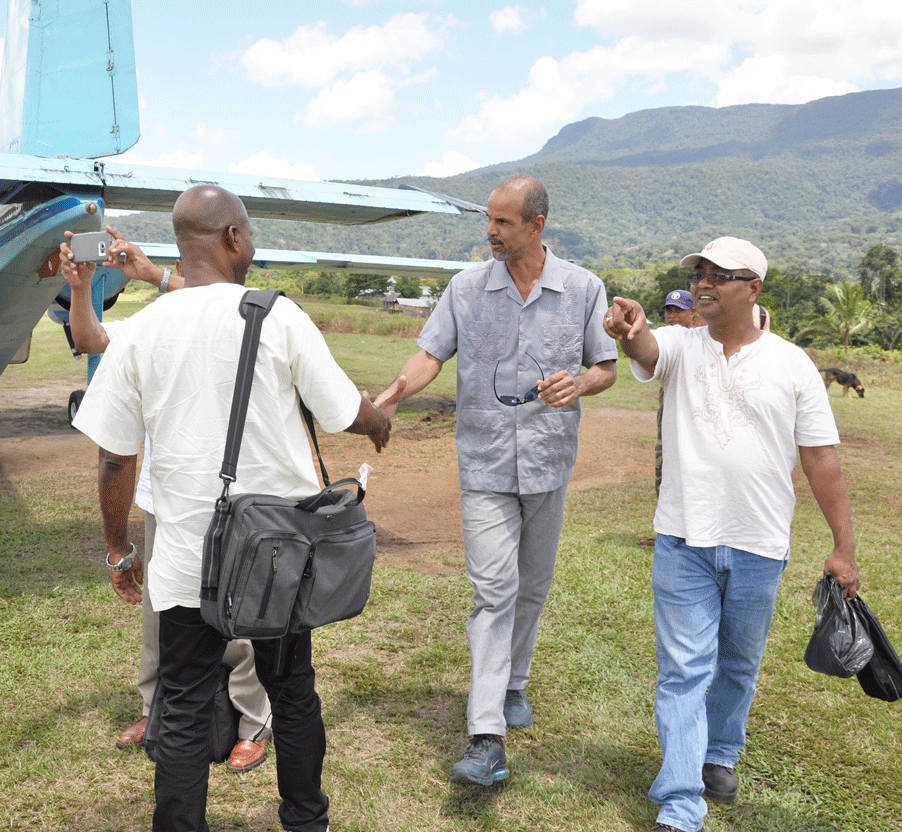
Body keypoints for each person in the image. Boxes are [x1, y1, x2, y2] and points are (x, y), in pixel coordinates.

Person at [72, 184, 392, 832]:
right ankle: (306, 819)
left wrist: (118, 549)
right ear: (233, 239)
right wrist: (377, 419)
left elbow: (114, 459)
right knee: (293, 695)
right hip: (275, 559)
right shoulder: (277, 315)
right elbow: (341, 410)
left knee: (182, 708)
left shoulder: (139, 331)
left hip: (187, 560)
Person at [604, 236, 860, 832]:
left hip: (759, 544)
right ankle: (681, 801)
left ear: (754, 288)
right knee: (685, 670)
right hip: (683, 541)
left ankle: (720, 753)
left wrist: (844, 548)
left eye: (721, 275)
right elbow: (645, 347)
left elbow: (822, 460)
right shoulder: (679, 344)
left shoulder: (792, 364)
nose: (705, 284)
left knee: (739, 663)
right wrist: (630, 328)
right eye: (700, 273)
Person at [375, 175, 618, 786]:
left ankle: (514, 684)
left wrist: (580, 383)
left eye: (503, 222)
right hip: (483, 460)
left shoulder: (583, 288)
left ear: (535, 226)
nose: (490, 230)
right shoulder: (465, 289)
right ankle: (487, 735)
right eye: (489, 219)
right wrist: (394, 396)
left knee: (532, 585)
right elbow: (430, 354)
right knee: (493, 590)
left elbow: (605, 367)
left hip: (549, 458)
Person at [59, 229, 273, 773]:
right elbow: (90, 340)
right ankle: (156, 710)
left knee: (237, 616)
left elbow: (212, 294)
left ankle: (254, 722)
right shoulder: (151, 326)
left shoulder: (234, 313)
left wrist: (154, 274)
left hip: (231, 495)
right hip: (166, 495)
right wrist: (81, 287)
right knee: (161, 612)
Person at [640, 289, 696, 546]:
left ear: (694, 313)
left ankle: (688, 534)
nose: (672, 315)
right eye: (669, 310)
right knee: (662, 471)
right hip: (667, 422)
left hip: (690, 426)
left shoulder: (699, 342)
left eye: (679, 310)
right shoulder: (667, 340)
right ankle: (667, 532)